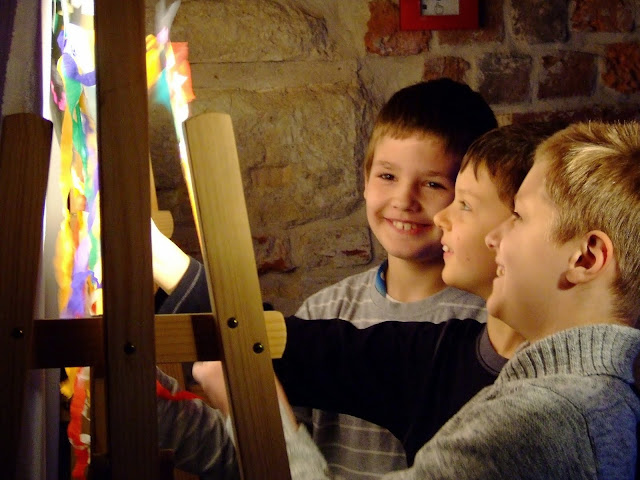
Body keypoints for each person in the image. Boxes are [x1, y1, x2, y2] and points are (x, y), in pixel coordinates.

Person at [155, 78, 498, 477]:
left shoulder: (485, 333)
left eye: (433, 183)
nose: (404, 200)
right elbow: (263, 453)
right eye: (387, 176)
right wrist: (153, 403)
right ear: (365, 179)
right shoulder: (325, 310)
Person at [275, 120, 640, 479]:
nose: (495, 237)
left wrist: (276, 427)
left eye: (519, 216)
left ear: (586, 258)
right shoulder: (600, 395)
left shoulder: (538, 420)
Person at [193, 122, 558, 467]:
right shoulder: (437, 350)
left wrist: (264, 414)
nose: (440, 217)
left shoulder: (541, 402)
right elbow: (297, 345)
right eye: (387, 176)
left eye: (462, 202)